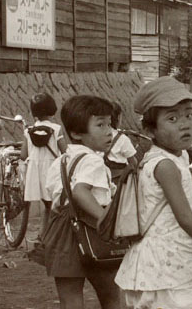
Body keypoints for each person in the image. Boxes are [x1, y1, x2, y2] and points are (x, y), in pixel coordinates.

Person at [115, 76, 192, 309]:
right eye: (172, 118)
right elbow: (185, 217)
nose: (185, 123)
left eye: (189, 114)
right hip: (161, 265)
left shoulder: (178, 157)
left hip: (164, 261)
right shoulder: (164, 165)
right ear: (150, 130)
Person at [42, 95, 121, 309]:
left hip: (61, 236)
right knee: (112, 296)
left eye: (110, 124)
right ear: (77, 132)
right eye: (100, 124)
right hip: (93, 233)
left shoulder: (60, 161)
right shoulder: (93, 160)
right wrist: (105, 219)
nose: (109, 131)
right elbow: (80, 191)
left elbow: (53, 200)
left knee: (70, 302)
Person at [20, 93, 67, 238]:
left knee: (47, 205)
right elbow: (65, 151)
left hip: (36, 173)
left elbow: (23, 155)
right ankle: (50, 236)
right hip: (52, 170)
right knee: (54, 204)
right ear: (52, 109)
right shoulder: (56, 129)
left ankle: (43, 234)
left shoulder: (28, 131)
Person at [103, 101, 138, 184]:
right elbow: (133, 162)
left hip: (103, 176)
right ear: (118, 118)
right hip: (119, 180)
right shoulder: (123, 139)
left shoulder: (98, 134)